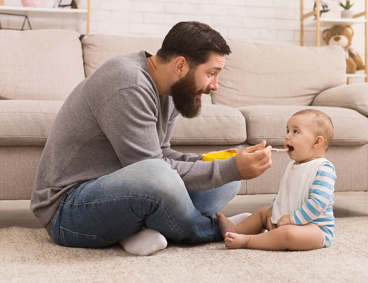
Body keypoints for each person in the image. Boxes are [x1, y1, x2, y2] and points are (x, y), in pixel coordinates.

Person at [30, 21, 272, 256]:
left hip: (124, 193)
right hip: (68, 210)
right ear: (180, 66)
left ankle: (135, 231)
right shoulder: (127, 83)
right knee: (164, 175)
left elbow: (161, 153)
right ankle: (215, 230)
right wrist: (228, 169)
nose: (215, 85)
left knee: (228, 180)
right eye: (211, 73)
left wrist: (214, 163)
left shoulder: (172, 90)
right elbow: (152, 170)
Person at [216, 109, 336, 251]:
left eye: (295, 132)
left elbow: (317, 204)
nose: (287, 137)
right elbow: (283, 195)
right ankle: (236, 229)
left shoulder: (323, 168)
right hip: (287, 219)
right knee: (263, 212)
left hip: (315, 228)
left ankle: (248, 240)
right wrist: (273, 213)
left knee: (288, 234)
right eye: (287, 131)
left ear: (317, 142)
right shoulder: (292, 166)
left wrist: (292, 220)